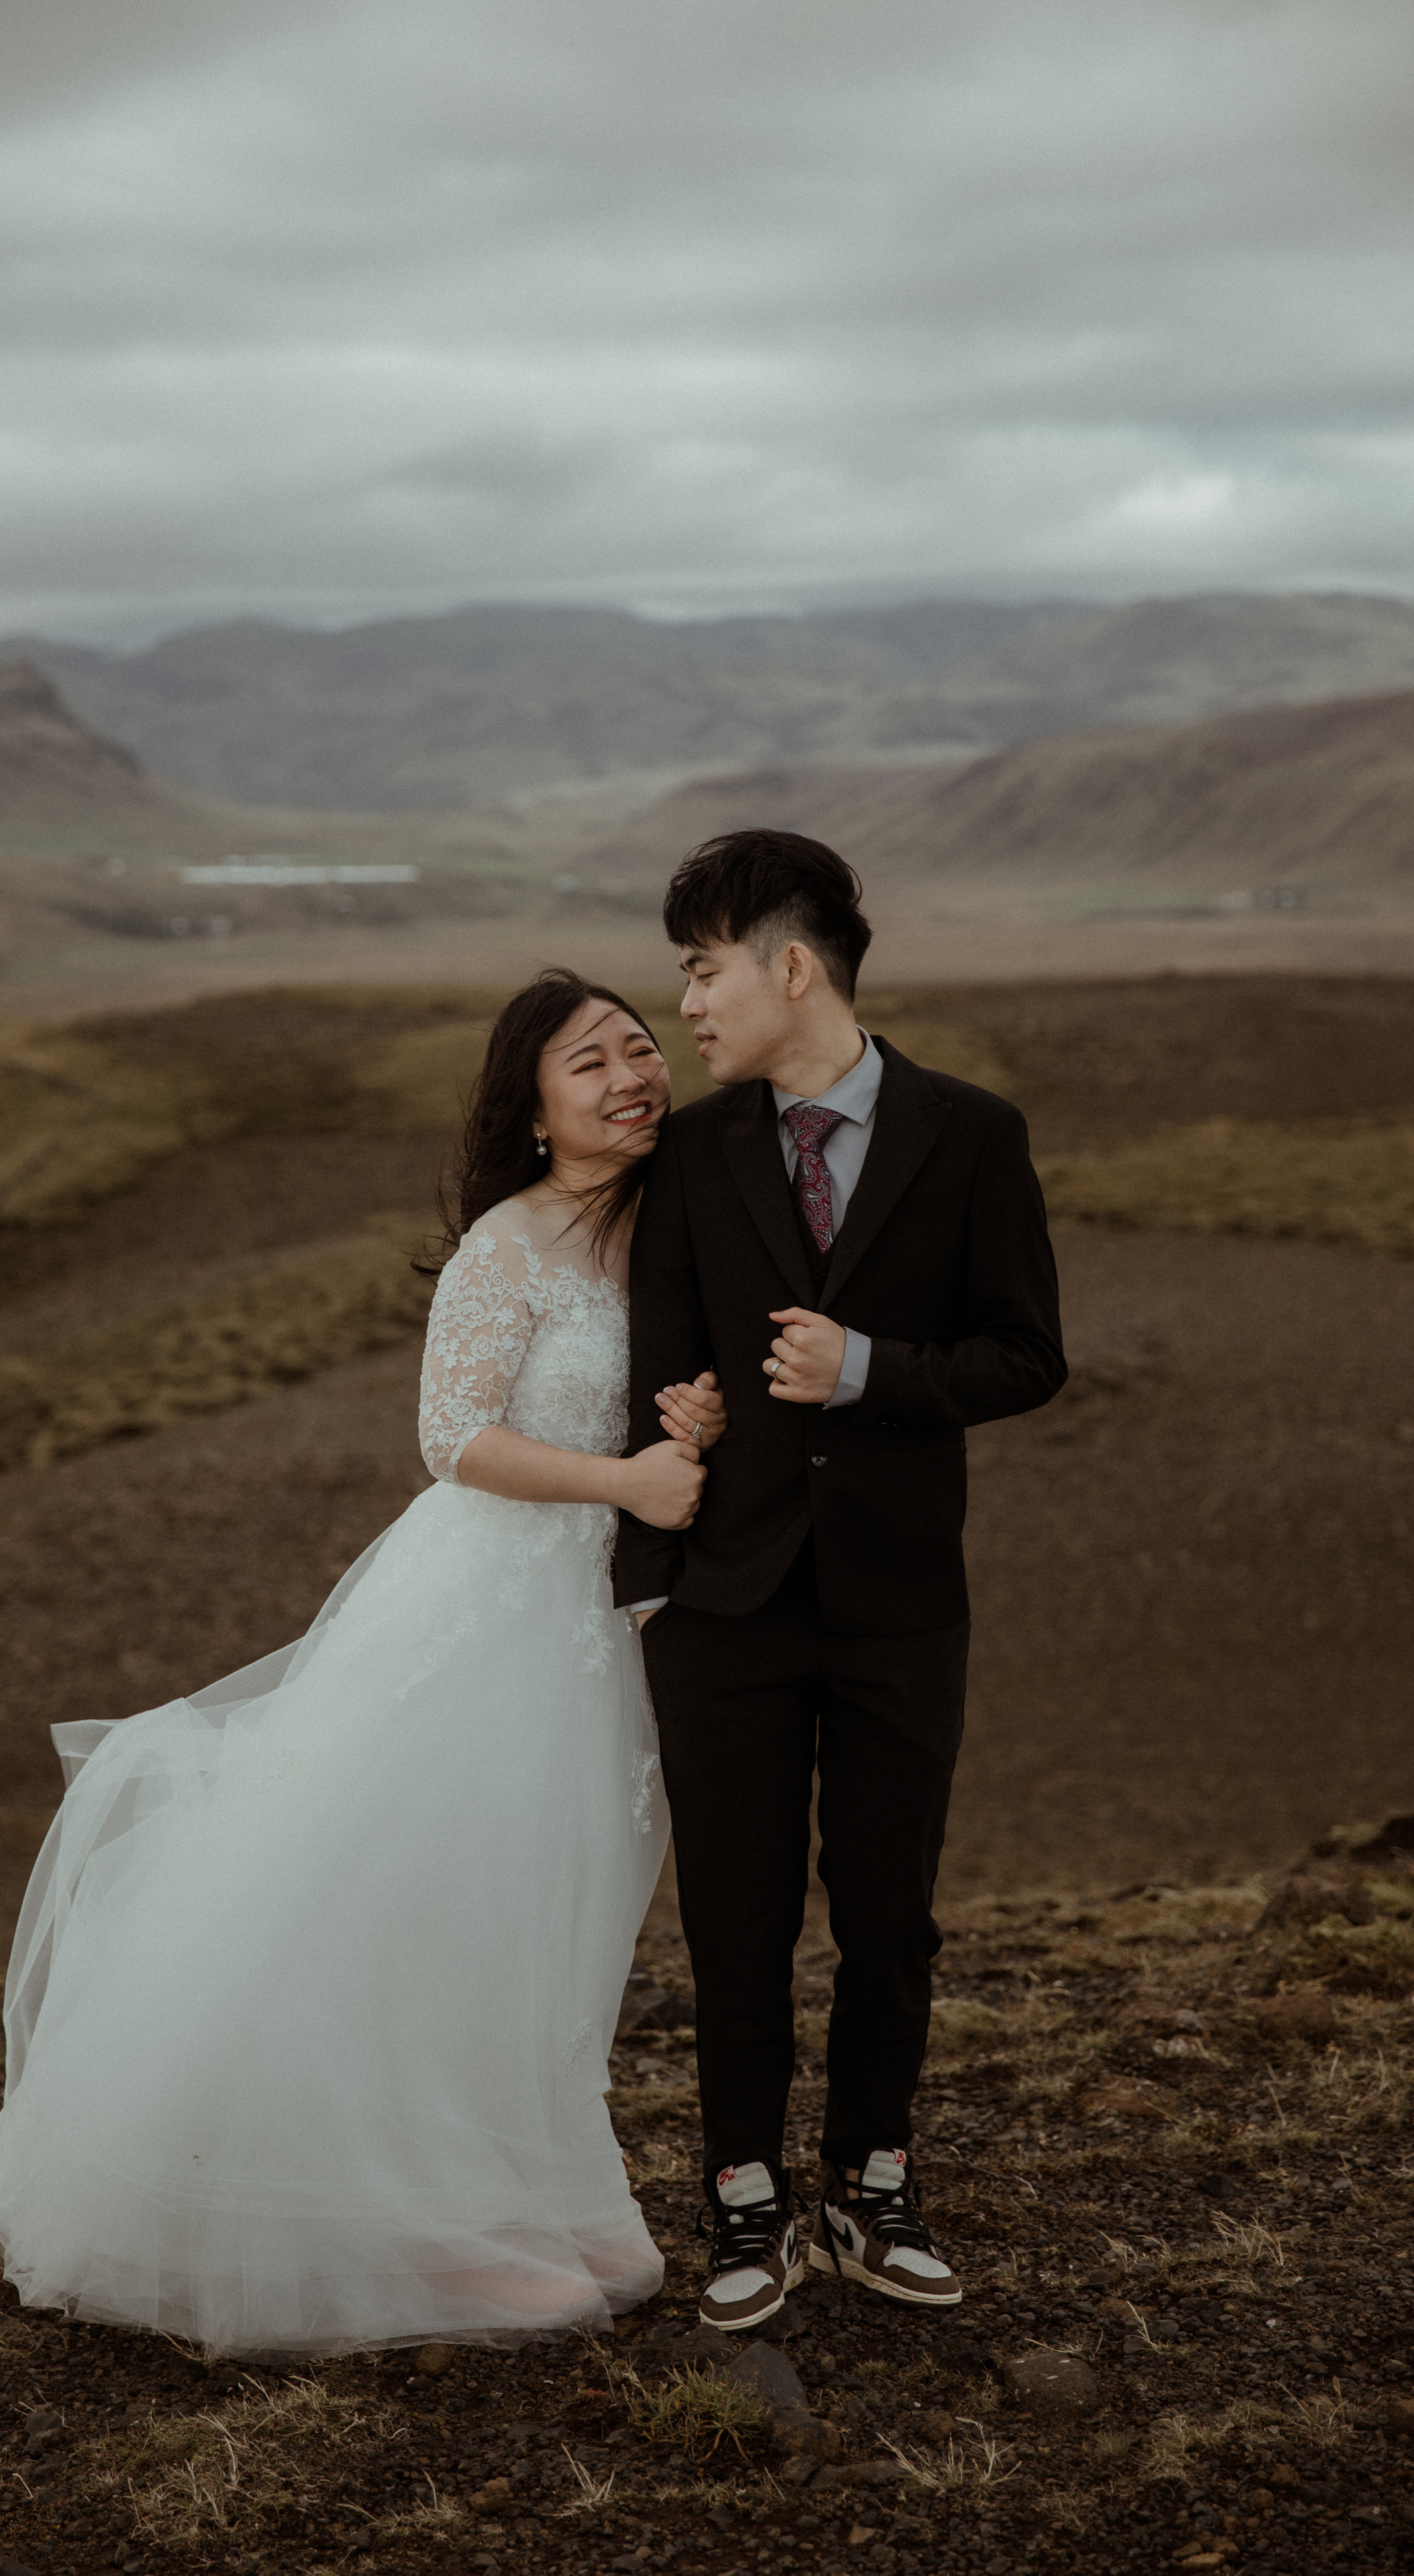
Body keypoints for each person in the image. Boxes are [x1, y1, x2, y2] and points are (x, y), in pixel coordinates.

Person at [0, 968, 727, 2357]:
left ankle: (534, 2185)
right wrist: (627, 1481)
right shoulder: (511, 1243)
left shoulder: (666, 1232)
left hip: (588, 1634)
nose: (629, 1076)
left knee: (549, 1910)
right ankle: (417, 2220)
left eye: (639, 1047)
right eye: (587, 1062)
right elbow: (452, 1438)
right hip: (477, 1615)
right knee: (422, 1899)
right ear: (533, 1110)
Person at [614, 830, 1067, 2333]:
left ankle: (873, 2184)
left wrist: (866, 1370)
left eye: (700, 966)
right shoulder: (686, 1153)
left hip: (896, 1606)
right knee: (733, 1921)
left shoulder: (971, 1133)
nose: (684, 1001)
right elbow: (653, 1369)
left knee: (887, 1917)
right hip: (722, 1609)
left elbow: (1024, 1355)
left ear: (788, 966)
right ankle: (742, 2198)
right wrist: (661, 1510)